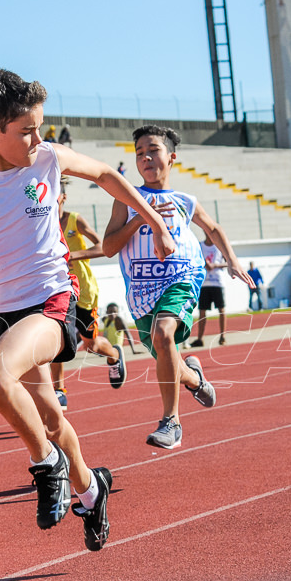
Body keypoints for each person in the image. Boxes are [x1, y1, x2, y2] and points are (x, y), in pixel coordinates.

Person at [0, 68, 175, 552]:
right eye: (26, 130)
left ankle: (49, 466)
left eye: (39, 127)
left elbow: (107, 175)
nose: (37, 137)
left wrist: (157, 223)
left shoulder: (47, 159)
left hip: (49, 301)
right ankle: (91, 489)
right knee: (48, 414)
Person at [102, 124, 252, 451]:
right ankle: (195, 377)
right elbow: (109, 246)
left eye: (153, 150)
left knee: (164, 334)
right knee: (165, 356)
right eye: (139, 153)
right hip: (141, 292)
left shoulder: (185, 200)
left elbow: (213, 228)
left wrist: (233, 260)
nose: (145, 158)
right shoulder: (126, 200)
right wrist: (140, 219)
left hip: (181, 277)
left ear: (171, 158)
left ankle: (171, 423)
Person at [49, 179, 126, 411]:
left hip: (84, 292)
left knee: (91, 344)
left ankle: (114, 354)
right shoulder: (42, 224)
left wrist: (73, 255)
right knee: (56, 340)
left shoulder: (74, 220)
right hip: (57, 291)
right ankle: (59, 391)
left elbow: (105, 247)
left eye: (55, 194)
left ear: (62, 197)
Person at [189, 235, 228, 347]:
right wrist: (204, 264)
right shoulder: (200, 246)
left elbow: (227, 262)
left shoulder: (219, 247)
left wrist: (215, 265)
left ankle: (223, 336)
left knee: (221, 309)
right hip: (204, 283)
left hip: (217, 282)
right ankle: (200, 339)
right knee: (202, 311)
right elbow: (194, 260)